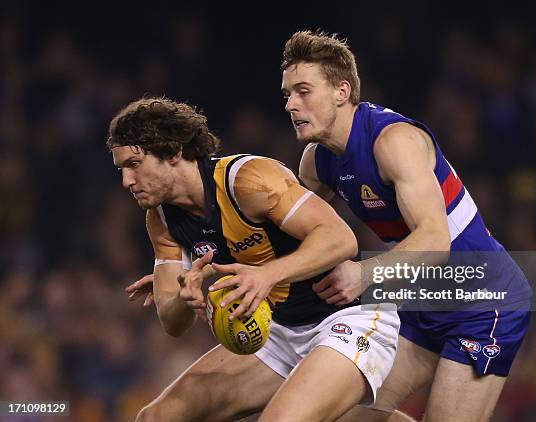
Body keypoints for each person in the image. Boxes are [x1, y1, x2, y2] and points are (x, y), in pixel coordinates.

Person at [279, 31, 532, 422]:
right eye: (287, 95)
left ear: (342, 91)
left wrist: (362, 273)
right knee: (338, 416)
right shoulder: (316, 162)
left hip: (485, 302)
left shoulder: (393, 140)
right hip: (420, 300)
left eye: (303, 91)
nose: (292, 104)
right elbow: (284, 240)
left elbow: (434, 240)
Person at [108, 97, 400, 422]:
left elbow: (340, 238)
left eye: (135, 164)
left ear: (174, 151)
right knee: (156, 418)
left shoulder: (247, 179)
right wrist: (182, 297)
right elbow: (172, 322)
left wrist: (266, 275)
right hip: (282, 332)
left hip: (350, 317)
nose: (127, 181)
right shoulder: (160, 219)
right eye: (121, 169)